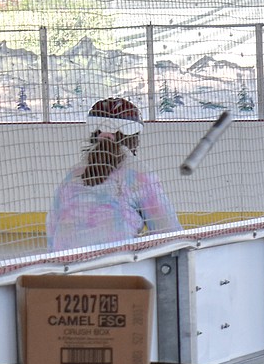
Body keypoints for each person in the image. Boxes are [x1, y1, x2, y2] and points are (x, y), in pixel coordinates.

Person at [47, 97, 182, 251]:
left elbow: (52, 226)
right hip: (116, 267)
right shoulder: (138, 175)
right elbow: (169, 233)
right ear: (134, 137)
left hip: (64, 267)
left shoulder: (73, 176)